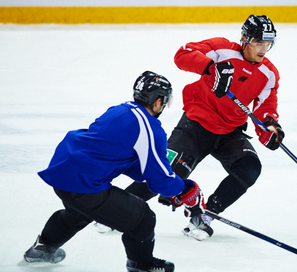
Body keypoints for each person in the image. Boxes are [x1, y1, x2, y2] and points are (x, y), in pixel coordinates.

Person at [23, 71, 206, 272]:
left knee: (78, 213)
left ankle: (42, 249)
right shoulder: (150, 128)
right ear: (157, 100)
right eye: (166, 101)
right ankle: (142, 266)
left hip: (62, 173)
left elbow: (117, 155)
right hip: (84, 183)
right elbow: (160, 181)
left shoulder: (120, 110)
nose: (164, 106)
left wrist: (167, 184)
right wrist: (182, 189)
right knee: (143, 218)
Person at [125, 15, 285, 241]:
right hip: (196, 126)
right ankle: (117, 208)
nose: (263, 49)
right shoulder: (221, 49)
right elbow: (182, 55)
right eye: (259, 43)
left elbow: (265, 107)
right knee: (166, 173)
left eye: (268, 44)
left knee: (249, 168)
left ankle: (206, 215)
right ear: (245, 39)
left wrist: (269, 126)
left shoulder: (269, 73)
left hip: (229, 131)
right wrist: (211, 68)